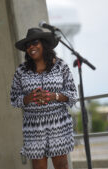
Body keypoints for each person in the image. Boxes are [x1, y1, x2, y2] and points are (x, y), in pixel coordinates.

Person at [10, 28, 77, 169]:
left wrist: (54, 96)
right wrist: (29, 98)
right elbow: (14, 99)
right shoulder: (21, 71)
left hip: (58, 124)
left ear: (44, 44)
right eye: (28, 45)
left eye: (35, 42)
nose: (31, 47)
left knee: (62, 166)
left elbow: (72, 95)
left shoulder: (60, 66)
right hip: (34, 128)